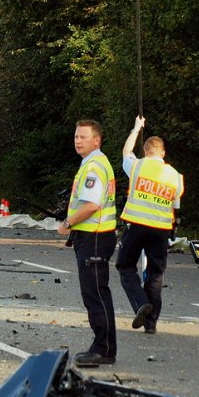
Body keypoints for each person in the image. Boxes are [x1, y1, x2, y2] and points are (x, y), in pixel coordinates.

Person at [57, 120, 118, 367]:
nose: (77, 140)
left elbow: (92, 205)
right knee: (96, 292)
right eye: (76, 136)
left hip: (94, 237)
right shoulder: (93, 163)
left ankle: (103, 349)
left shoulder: (94, 166)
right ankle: (104, 347)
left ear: (97, 140)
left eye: (83, 136)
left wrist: (68, 223)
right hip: (94, 236)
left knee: (95, 294)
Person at [116, 115, 184, 334]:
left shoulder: (137, 167)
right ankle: (151, 323)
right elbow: (175, 205)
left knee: (125, 266)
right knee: (155, 274)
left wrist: (136, 128)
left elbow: (126, 152)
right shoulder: (175, 176)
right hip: (161, 231)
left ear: (146, 152)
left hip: (136, 226)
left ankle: (140, 303)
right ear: (163, 153)